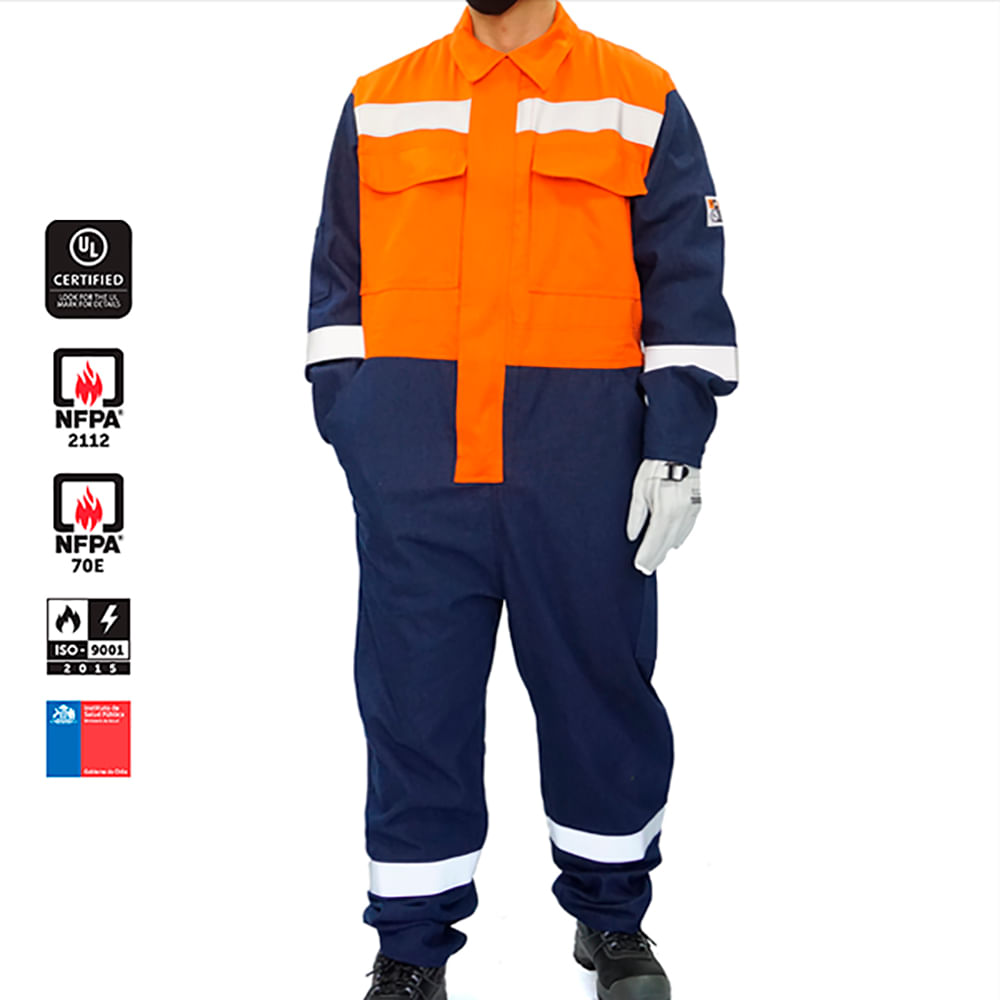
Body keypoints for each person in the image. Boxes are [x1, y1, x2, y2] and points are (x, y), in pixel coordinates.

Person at [305, 1, 737, 996]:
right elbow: (337, 281)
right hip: (417, 467)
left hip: (582, 465)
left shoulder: (638, 96)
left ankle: (612, 923)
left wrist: (676, 446)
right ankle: (411, 950)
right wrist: (356, 422)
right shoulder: (381, 99)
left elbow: (687, 280)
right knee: (413, 705)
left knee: (599, 694)